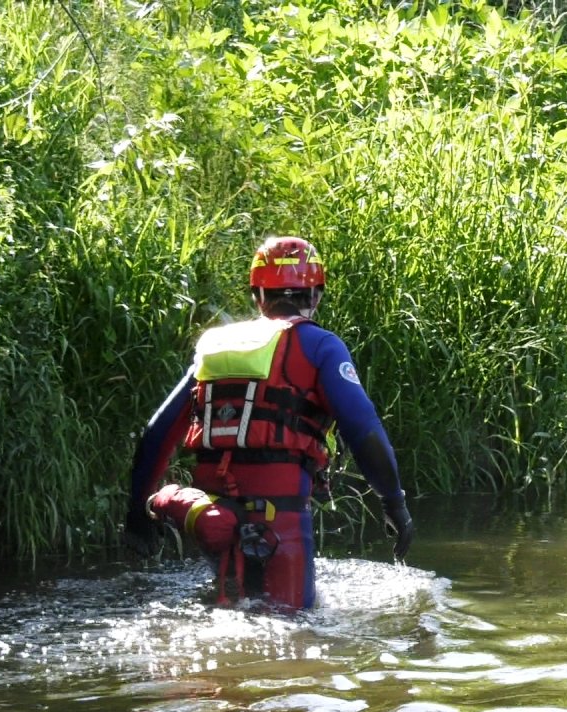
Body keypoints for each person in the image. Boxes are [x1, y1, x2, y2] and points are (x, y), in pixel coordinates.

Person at [122, 235, 413, 610]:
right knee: (292, 624)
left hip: (213, 510)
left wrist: (136, 514)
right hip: (280, 513)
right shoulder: (321, 345)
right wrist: (394, 503)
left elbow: (156, 435)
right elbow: (364, 431)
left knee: (231, 607)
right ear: (315, 295)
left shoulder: (215, 346)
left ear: (258, 295)